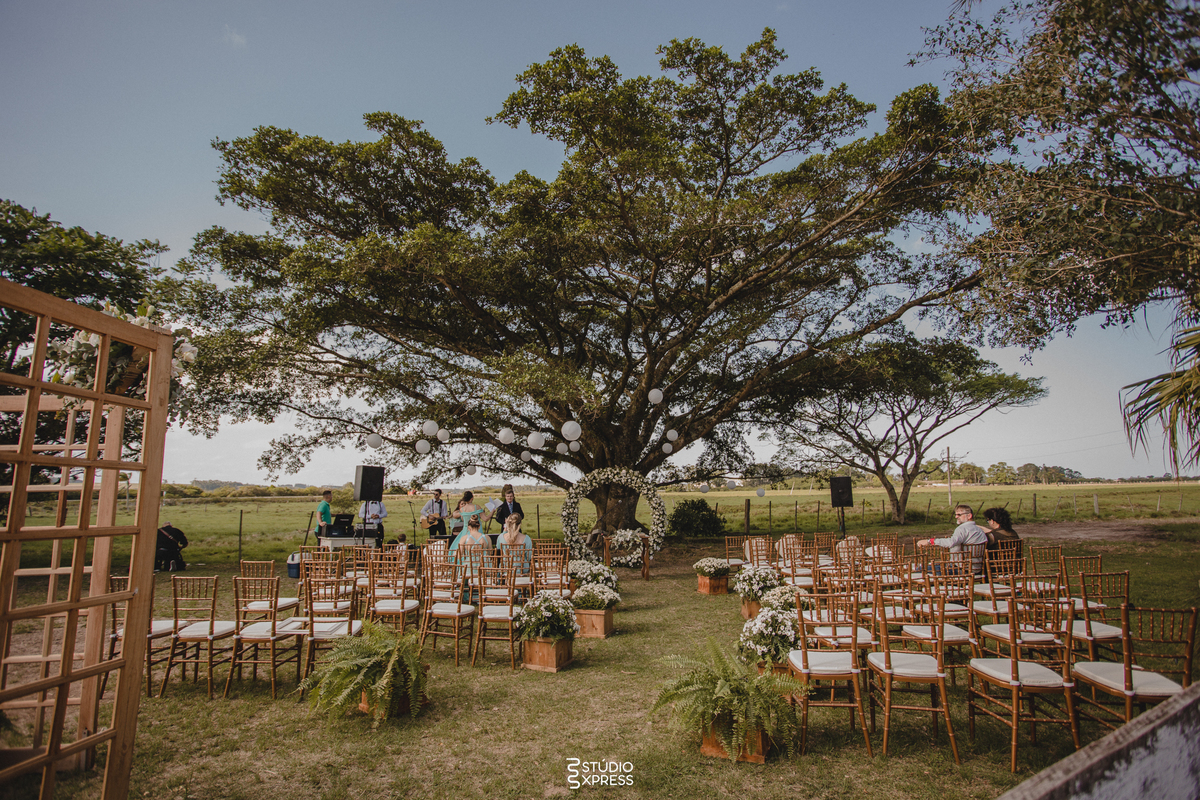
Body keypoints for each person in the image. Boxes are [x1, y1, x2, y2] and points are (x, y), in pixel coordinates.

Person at [921, 503, 989, 574]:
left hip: (960, 569)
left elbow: (951, 543)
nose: (956, 517)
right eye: (956, 515)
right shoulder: (980, 531)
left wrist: (930, 541)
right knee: (934, 566)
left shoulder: (962, 529)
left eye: (959, 515)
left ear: (969, 515)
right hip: (977, 569)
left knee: (922, 569)